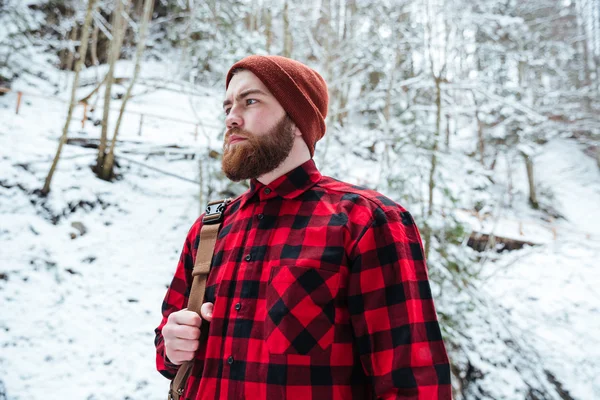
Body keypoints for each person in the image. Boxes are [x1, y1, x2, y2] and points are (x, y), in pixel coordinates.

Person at [155, 55, 451, 399]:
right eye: (228, 107)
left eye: (250, 101)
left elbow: (413, 384)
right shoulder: (210, 229)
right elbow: (167, 356)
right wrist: (172, 348)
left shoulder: (365, 220)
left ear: (297, 120)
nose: (232, 118)